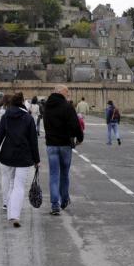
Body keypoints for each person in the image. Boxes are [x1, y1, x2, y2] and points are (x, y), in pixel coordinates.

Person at [0, 93, 40, 228]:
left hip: (7, 155)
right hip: (23, 155)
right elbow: (33, 141)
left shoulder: (6, 117)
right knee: (19, 186)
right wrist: (37, 160)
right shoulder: (28, 118)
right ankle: (14, 215)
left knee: (11, 184)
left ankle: (11, 213)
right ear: (22, 102)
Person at [41, 85, 83, 216]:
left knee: (54, 175)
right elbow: (75, 124)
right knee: (64, 174)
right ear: (61, 93)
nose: (68, 95)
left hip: (52, 144)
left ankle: (55, 204)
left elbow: (45, 124)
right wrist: (79, 138)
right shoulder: (67, 107)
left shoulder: (46, 106)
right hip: (65, 144)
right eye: (67, 92)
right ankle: (64, 200)